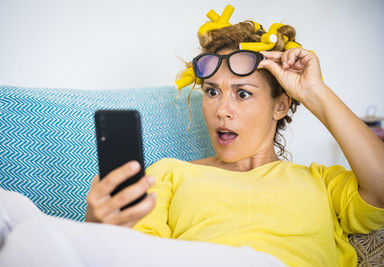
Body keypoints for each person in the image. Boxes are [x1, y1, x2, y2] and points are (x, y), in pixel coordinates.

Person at [85, 5, 384, 267]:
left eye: (242, 93)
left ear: (280, 105)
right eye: (212, 91)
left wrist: (314, 91)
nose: (222, 110)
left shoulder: (322, 182)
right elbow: (136, 254)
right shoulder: (168, 173)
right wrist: (98, 230)